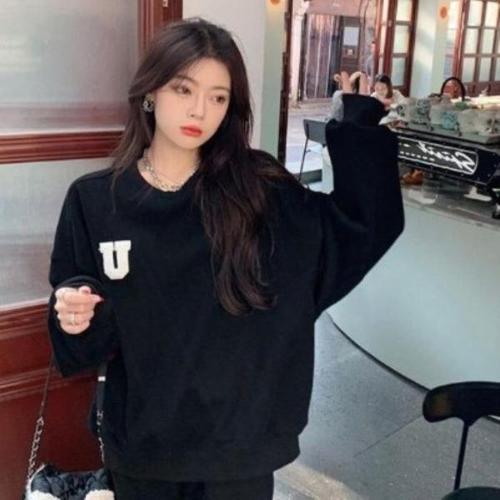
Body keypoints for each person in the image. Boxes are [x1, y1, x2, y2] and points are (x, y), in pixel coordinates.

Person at [47, 18, 404, 500]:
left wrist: (356, 123)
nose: (200, 110)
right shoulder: (95, 201)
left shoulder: (258, 192)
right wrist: (73, 313)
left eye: (218, 97)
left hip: (238, 450)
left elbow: (358, 231)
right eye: (183, 89)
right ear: (151, 91)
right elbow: (82, 328)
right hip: (143, 445)